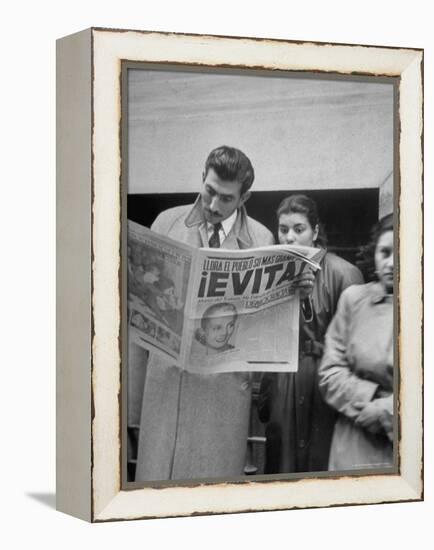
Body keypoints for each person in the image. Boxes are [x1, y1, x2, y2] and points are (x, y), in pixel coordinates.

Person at [135, 145, 274, 481]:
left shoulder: (262, 239)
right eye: (209, 191)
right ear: (202, 177)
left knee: (211, 497)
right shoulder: (166, 222)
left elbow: (266, 327)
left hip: (221, 393)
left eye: (226, 198)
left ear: (244, 197)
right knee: (157, 491)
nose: (213, 205)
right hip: (169, 386)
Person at [258, 194, 363, 473]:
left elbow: (355, 344)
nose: (289, 237)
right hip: (283, 379)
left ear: (315, 231)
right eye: (283, 229)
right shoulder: (271, 273)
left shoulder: (344, 273)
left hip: (325, 380)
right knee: (281, 464)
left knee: (321, 461)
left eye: (299, 229)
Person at [318, 214, 394, 471]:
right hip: (354, 442)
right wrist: (371, 397)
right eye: (385, 252)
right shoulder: (353, 300)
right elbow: (330, 372)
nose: (392, 263)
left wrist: (388, 411)